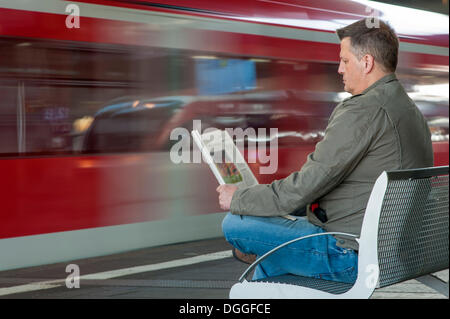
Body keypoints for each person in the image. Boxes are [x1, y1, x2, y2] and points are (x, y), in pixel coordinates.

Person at [217, 18, 434, 283]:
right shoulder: (411, 111)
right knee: (270, 242)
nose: (339, 69)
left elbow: (306, 186)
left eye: (344, 60)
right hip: (397, 252)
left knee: (235, 224)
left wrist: (239, 197)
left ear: (366, 63)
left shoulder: (363, 110)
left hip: (351, 255)